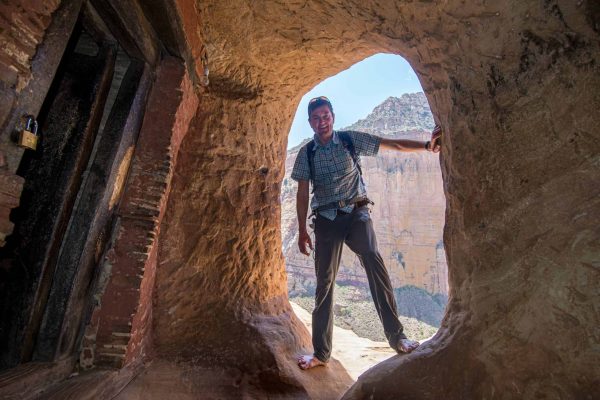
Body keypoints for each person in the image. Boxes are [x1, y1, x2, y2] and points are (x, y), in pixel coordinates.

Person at [291, 96, 442, 370]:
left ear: (332, 117)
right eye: (316, 118)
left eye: (325, 115)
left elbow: (391, 143)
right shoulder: (307, 154)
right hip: (325, 219)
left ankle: (398, 338)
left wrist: (425, 146)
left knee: (374, 261)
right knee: (324, 283)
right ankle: (321, 353)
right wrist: (302, 230)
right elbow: (302, 193)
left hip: (356, 212)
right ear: (310, 122)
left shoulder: (349, 140)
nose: (321, 121)